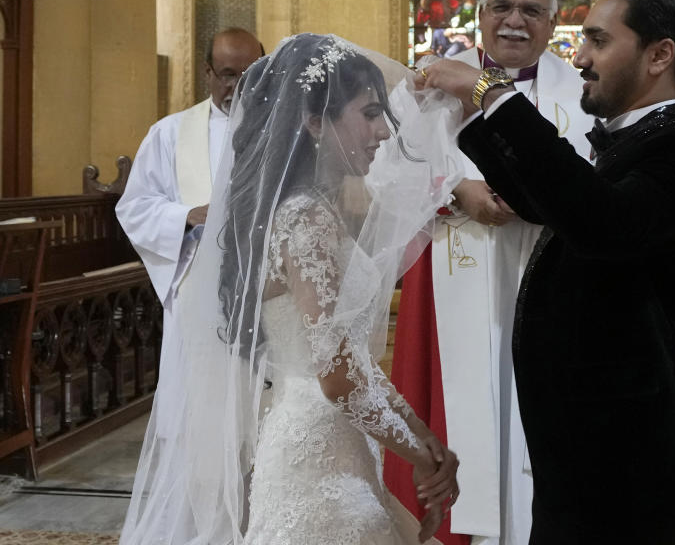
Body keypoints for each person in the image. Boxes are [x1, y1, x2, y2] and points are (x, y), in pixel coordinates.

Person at [418, 0, 675, 544]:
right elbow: (551, 201)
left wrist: (488, 92)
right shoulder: (626, 145)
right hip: (581, 455)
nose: (580, 57)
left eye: (598, 40)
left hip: (624, 461)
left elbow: (603, 224)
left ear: (659, 56)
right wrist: (469, 119)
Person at [121, 34, 465, 544]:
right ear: (314, 122)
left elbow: (354, 363)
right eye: (369, 114)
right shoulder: (306, 219)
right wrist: (424, 456)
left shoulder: (310, 211)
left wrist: (422, 435)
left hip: (333, 450)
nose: (381, 133)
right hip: (318, 469)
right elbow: (335, 378)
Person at [385, 0, 594, 545]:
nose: (514, 22)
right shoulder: (432, 80)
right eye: (502, 7)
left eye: (531, 11)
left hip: (545, 270)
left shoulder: (579, 91)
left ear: (554, 22)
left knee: (533, 407)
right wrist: (457, 190)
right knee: (462, 397)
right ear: (479, 14)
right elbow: (387, 170)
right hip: (455, 268)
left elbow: (591, 181)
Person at [116, 27, 262, 437]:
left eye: (250, 74)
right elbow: (134, 206)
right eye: (228, 74)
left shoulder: (282, 134)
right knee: (202, 422)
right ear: (208, 73)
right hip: (201, 294)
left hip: (268, 292)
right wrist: (185, 216)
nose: (237, 86)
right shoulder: (170, 133)